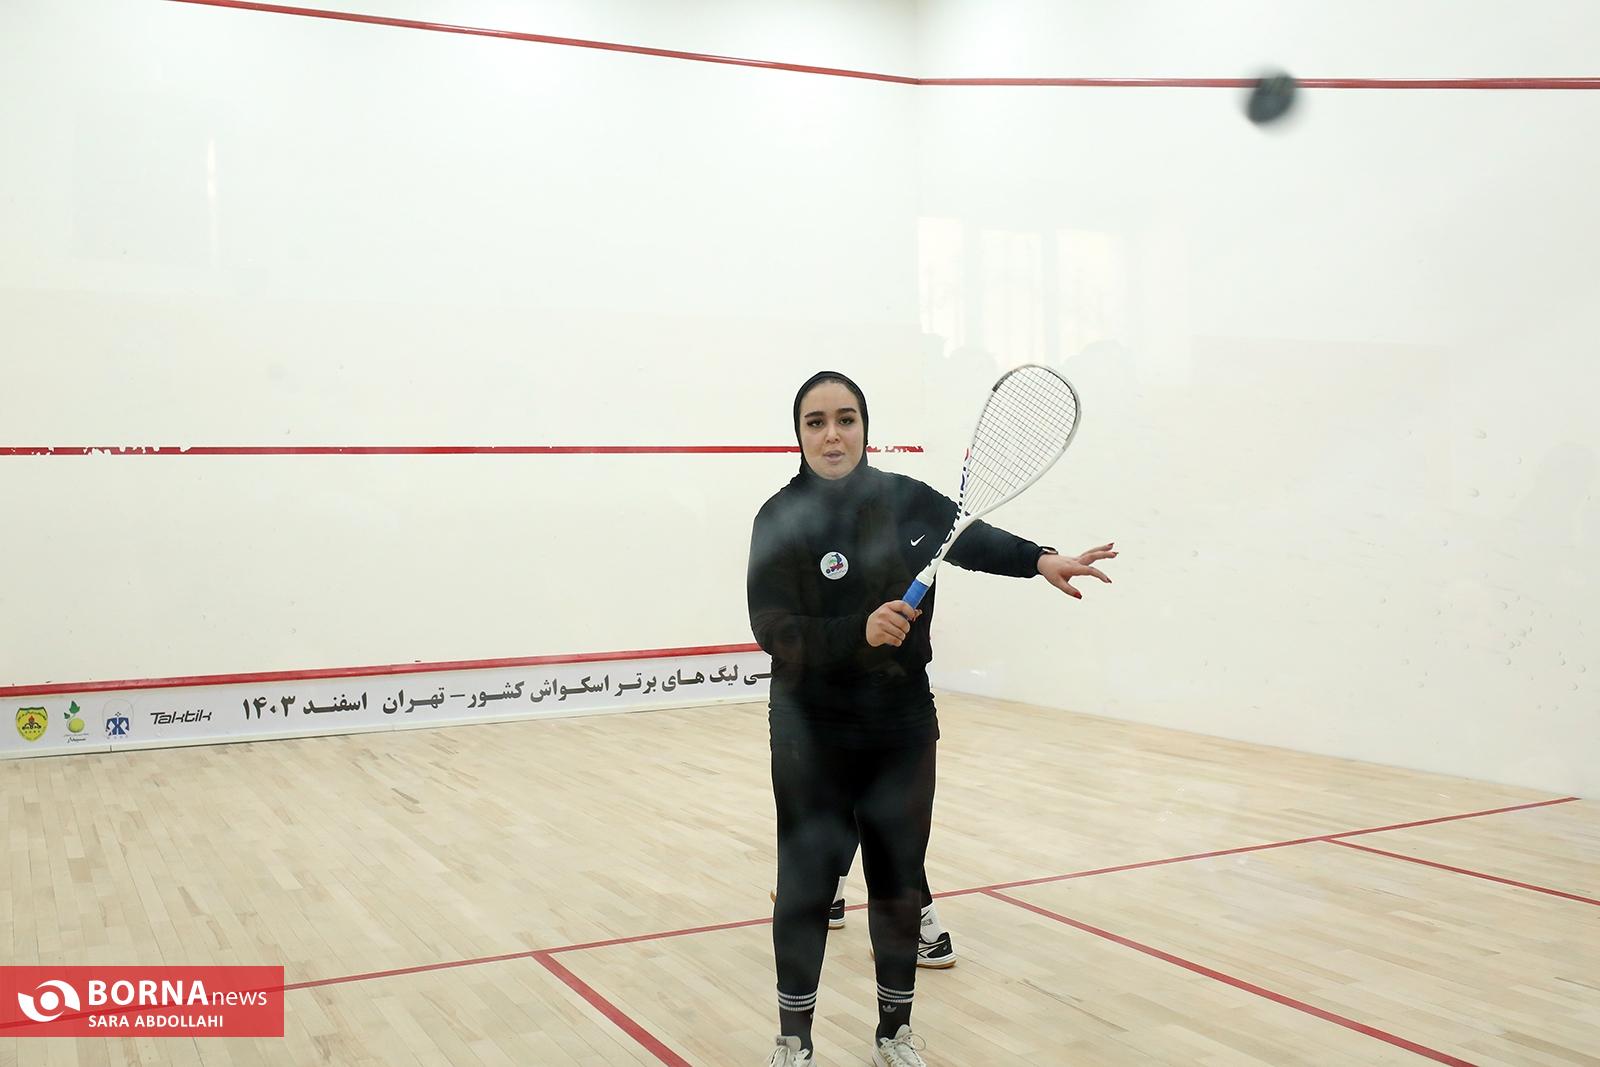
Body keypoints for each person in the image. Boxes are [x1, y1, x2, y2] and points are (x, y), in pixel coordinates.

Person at [748, 370, 1115, 1066]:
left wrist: (1040, 559)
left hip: (901, 724)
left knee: (897, 879)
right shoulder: (779, 518)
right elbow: (771, 626)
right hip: (810, 728)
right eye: (817, 422)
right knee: (806, 883)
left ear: (865, 427)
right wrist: (858, 631)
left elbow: (971, 537)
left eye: (846, 418)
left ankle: (894, 1034)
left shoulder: (907, 500)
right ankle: (794, 1041)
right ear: (798, 434)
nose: (833, 434)